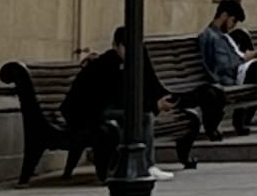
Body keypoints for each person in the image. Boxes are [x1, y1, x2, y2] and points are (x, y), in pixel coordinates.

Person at [58, 26, 188, 173]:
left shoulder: (138, 57)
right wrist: (154, 105)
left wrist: (164, 98)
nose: (133, 53)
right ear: (117, 46)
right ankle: (145, 166)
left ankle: (145, 164)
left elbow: (151, 82)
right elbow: (119, 96)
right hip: (89, 112)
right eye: (127, 48)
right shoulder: (106, 64)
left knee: (144, 115)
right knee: (145, 117)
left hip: (110, 107)